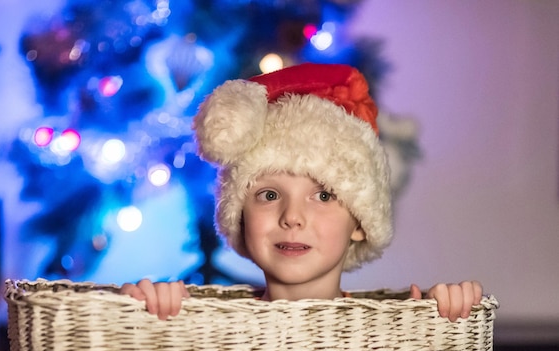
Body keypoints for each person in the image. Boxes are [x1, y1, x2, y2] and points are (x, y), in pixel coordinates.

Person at [121, 63, 482, 321]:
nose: (292, 217)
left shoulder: (386, 335)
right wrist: (144, 310)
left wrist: (446, 309)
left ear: (359, 219)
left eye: (323, 195)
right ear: (240, 214)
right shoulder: (212, 327)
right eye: (269, 195)